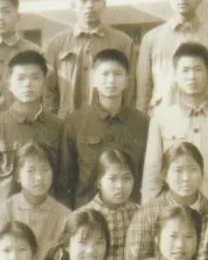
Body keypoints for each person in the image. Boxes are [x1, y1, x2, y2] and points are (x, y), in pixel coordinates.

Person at [140, 42, 208, 201]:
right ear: (175, 75)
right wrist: (149, 211)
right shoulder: (161, 120)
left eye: (198, 69)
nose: (192, 76)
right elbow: (152, 175)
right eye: (185, 70)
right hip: (175, 210)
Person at [0, 50, 64, 207]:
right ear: (9, 84)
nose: (27, 84)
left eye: (35, 77)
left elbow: (64, 180)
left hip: (48, 214)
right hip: (7, 216)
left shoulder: (58, 127)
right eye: (20, 78)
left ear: (45, 83)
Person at [58, 48, 148, 207]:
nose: (111, 80)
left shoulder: (142, 123)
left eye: (117, 74)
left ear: (127, 80)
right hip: (87, 211)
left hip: (130, 212)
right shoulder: (75, 121)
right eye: (105, 74)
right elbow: (66, 180)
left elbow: (146, 177)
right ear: (93, 79)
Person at [44, 0, 136, 116]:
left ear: (104, 4)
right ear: (73, 5)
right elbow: (48, 89)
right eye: (83, 0)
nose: (90, 5)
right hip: (66, 122)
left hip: (109, 121)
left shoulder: (122, 42)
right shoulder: (57, 43)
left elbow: (130, 89)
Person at [0, 143, 70, 260]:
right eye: (31, 171)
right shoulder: (0, 215)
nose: (39, 177)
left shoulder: (65, 216)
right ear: (17, 176)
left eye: (45, 169)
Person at [123, 142, 208, 260]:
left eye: (193, 169)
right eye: (178, 170)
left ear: (202, 173)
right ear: (165, 175)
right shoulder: (148, 213)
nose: (186, 178)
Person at [81, 149, 141, 260]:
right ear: (98, 181)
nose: (120, 186)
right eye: (112, 179)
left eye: (126, 178)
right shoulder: (84, 216)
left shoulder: (141, 214)